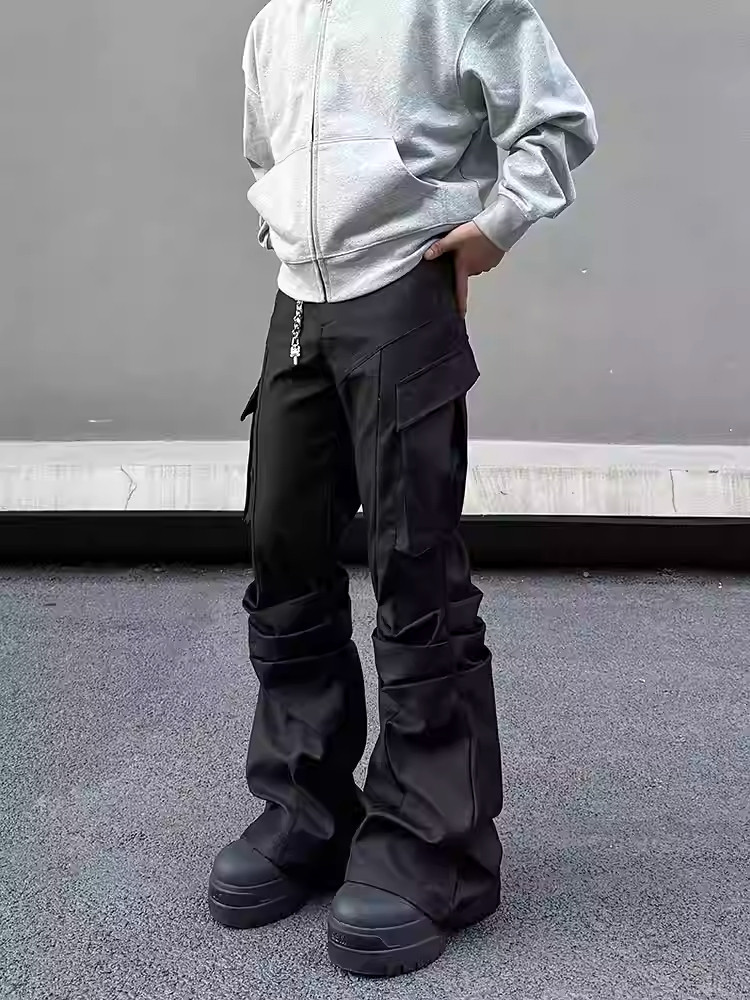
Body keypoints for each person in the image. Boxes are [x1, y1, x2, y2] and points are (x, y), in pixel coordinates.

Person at [209, 0, 597, 977]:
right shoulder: (275, 21)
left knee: (414, 564)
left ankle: (436, 847)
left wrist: (494, 225)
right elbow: (268, 153)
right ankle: (305, 806)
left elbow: (555, 119)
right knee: (282, 551)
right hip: (301, 304)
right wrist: (297, 236)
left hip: (402, 290)